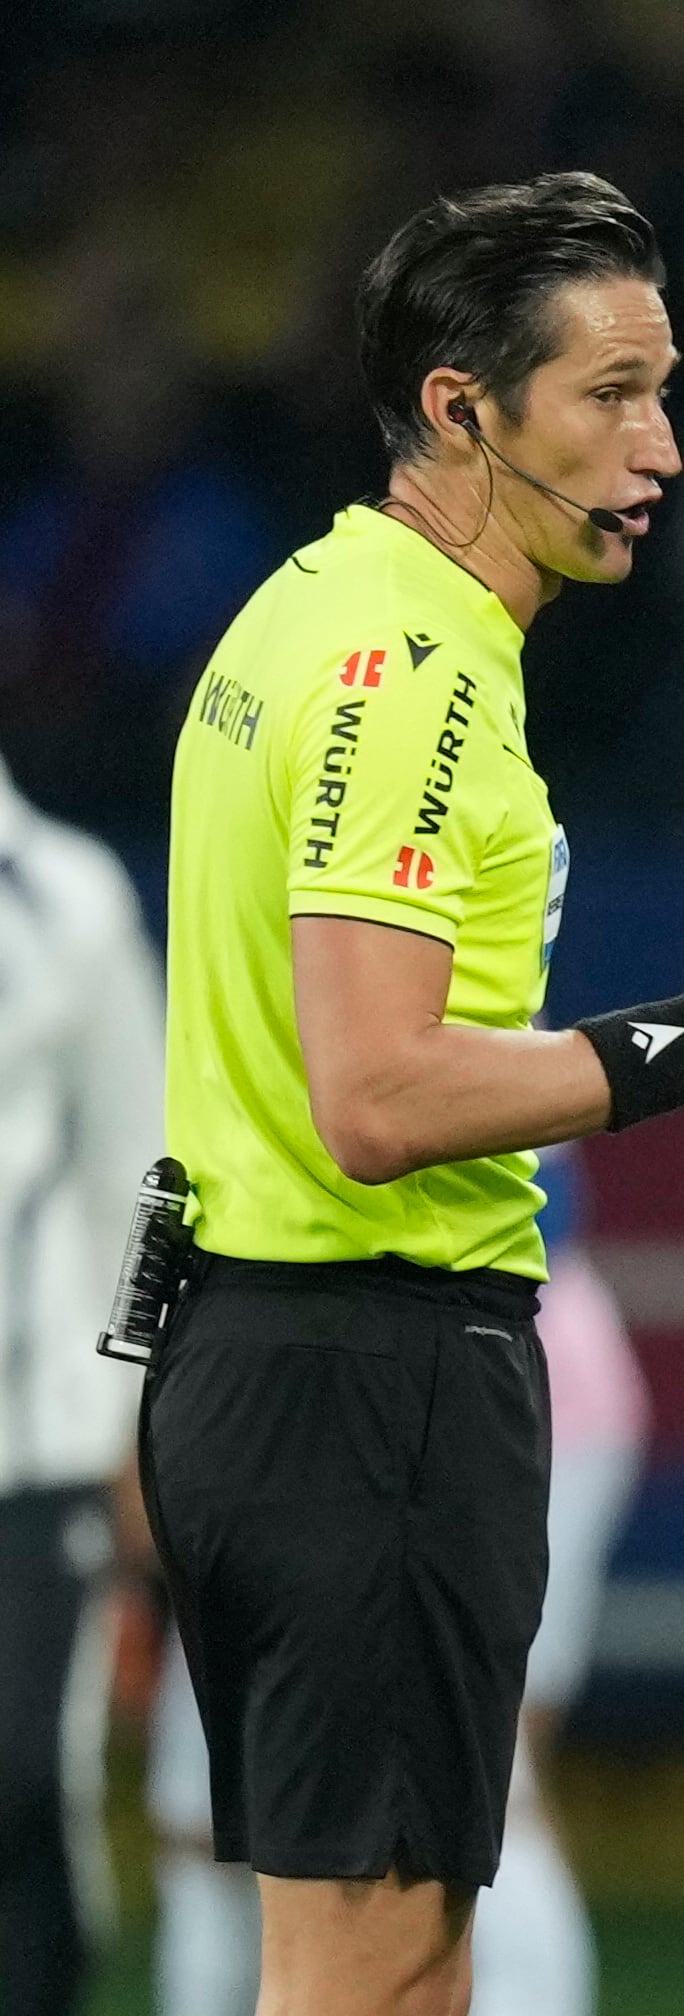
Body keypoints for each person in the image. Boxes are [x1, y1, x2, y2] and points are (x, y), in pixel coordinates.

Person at [145, 172, 684, 2016]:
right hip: (372, 1375)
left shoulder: (316, 610)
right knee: (379, 1975)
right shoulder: (409, 672)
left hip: (273, 1352)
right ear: (460, 410)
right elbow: (377, 1093)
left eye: (665, 390)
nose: (660, 442)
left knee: (373, 1968)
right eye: (611, 393)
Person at [147, 1148, 649, 2016]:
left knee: (471, 1780)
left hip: (454, 1369)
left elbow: (535, 1200)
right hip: (319, 1373)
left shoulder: (434, 1016)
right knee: (217, 1802)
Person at [0, 754, 164, 2016]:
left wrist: (133, 1422)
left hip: (35, 1444)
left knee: (22, 1788)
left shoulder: (65, 896)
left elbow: (143, 1174)